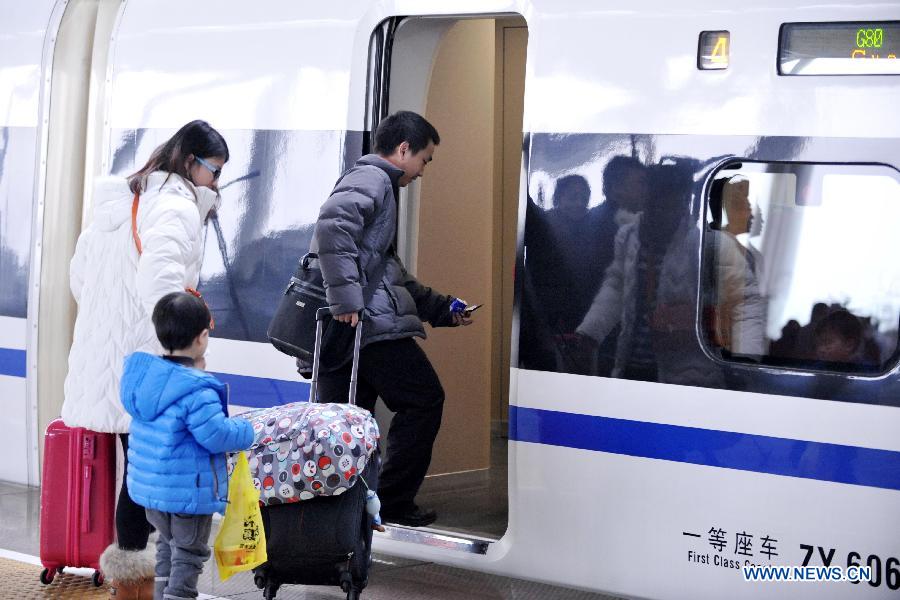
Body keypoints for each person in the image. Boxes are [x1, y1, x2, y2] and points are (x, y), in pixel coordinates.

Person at [61, 120, 229, 598]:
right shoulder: (175, 206)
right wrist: (182, 346)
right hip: (152, 359)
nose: (214, 183)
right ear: (190, 161)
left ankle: (133, 585)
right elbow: (161, 284)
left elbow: (80, 280)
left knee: (138, 476)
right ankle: (141, 587)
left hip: (114, 364)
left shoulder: (117, 204)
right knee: (148, 482)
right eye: (213, 171)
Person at [310, 110, 471, 527]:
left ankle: (345, 513)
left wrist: (443, 309)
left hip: (358, 327)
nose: (422, 171)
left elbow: (388, 274)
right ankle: (393, 501)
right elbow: (331, 228)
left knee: (348, 424)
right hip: (364, 327)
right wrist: (346, 299)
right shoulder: (374, 179)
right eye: (424, 160)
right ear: (403, 149)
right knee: (423, 398)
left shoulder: (377, 186)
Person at [120, 291, 253, 600]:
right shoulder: (197, 390)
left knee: (166, 546)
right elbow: (216, 435)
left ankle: (162, 594)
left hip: (152, 495)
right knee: (189, 555)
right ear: (202, 337)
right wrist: (247, 430)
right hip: (187, 495)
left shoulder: (145, 380)